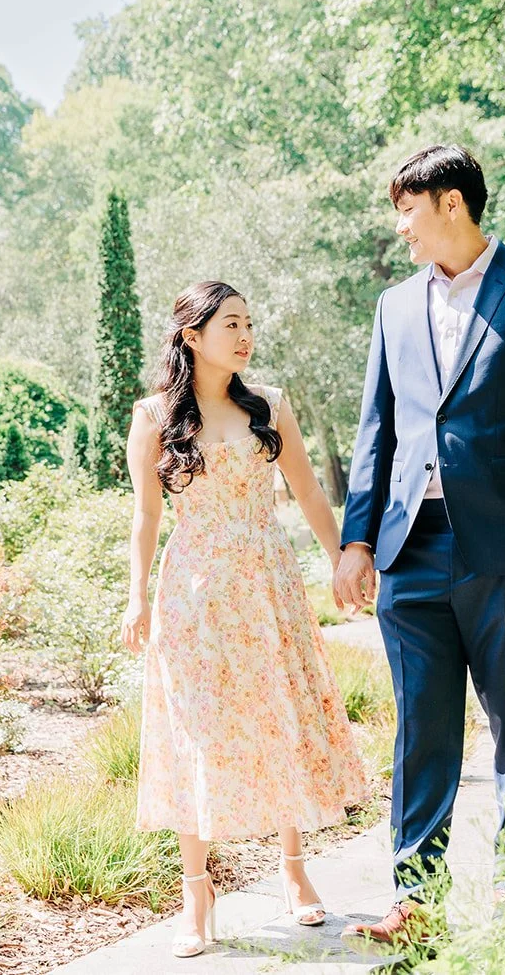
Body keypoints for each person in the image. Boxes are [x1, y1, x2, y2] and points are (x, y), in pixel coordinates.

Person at [332, 145, 505, 948]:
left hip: (502, 548)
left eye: (407, 210)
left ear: (450, 203)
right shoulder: (393, 306)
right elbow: (377, 427)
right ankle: (418, 900)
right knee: (422, 730)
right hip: (410, 550)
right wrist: (357, 537)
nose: (400, 228)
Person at [124, 280, 369, 959]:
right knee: (195, 732)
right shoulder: (153, 417)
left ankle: (293, 868)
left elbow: (309, 489)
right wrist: (136, 594)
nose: (244, 335)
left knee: (276, 718)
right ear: (192, 335)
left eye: (248, 323)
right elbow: (145, 515)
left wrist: (341, 557)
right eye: (230, 323)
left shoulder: (270, 406)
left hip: (266, 583)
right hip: (193, 590)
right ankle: (196, 891)